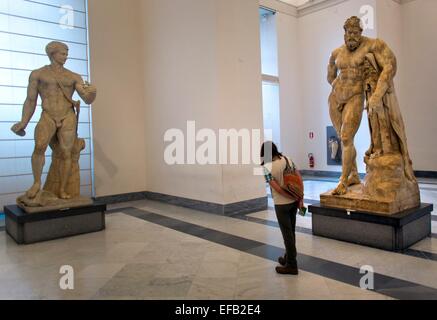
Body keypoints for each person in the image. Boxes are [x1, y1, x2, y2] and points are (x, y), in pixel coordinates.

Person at [11, 41, 97, 200]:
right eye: (63, 53)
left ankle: (62, 189)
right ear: (52, 53)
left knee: (66, 153)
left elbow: (86, 99)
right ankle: (36, 183)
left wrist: (92, 93)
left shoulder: (73, 76)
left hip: (67, 116)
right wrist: (23, 122)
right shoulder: (38, 74)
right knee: (39, 147)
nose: (66, 57)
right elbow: (30, 100)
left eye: (67, 53)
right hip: (48, 114)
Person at [327, 16, 399, 195]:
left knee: (345, 138)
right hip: (335, 98)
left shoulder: (372, 45)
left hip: (355, 96)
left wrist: (376, 94)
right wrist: (336, 83)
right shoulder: (336, 53)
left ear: (360, 33)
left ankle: (343, 181)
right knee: (343, 138)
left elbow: (391, 66)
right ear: (344, 33)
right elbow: (329, 74)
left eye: (355, 32)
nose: (352, 36)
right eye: (348, 32)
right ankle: (352, 175)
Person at [261, 141, 299, 275]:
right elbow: (298, 178)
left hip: (281, 204)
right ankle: (288, 257)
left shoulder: (266, 167)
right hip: (294, 202)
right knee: (291, 231)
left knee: (287, 234)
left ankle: (292, 265)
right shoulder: (288, 159)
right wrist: (299, 197)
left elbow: (276, 188)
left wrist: (287, 195)